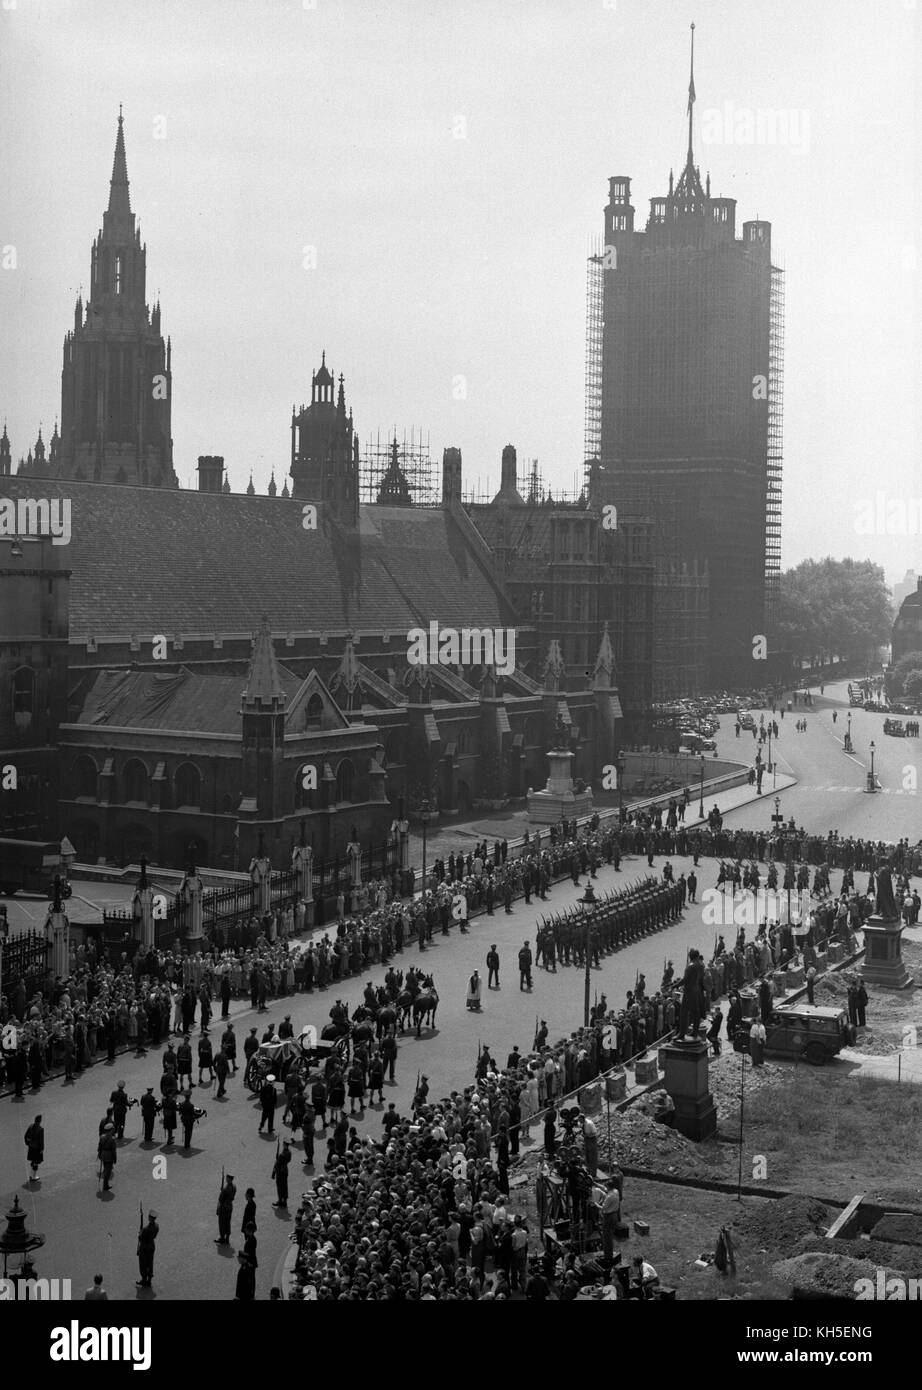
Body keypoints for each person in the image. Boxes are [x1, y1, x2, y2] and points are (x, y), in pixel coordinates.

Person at [136, 1210, 159, 1288]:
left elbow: (140, 1238)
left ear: (150, 1218)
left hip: (144, 1248)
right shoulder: (157, 1226)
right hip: (151, 1246)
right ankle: (149, 1280)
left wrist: (140, 1233)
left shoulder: (146, 1229)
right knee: (150, 1263)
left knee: (143, 1264)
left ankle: (143, 1280)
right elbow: (154, 1236)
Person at [216, 1174, 236, 1245]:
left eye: (227, 1178)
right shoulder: (234, 1187)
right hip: (229, 1207)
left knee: (221, 1223)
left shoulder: (226, 1188)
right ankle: (227, 1238)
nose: (226, 1179)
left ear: (229, 1179)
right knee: (227, 1223)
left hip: (223, 1207)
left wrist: (222, 1191)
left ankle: (222, 1238)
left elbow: (221, 1199)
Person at [272, 1139, 292, 1208]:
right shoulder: (289, 1152)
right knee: (285, 1187)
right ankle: (285, 1201)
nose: (282, 1145)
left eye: (283, 1144)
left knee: (280, 1187)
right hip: (285, 1171)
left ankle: (280, 1201)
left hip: (280, 1172)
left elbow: (277, 1164)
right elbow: (288, 1160)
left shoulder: (282, 1154)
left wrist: (273, 1172)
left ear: (285, 1145)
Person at [97, 1123, 117, 1191]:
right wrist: (115, 1158)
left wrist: (99, 1153)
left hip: (103, 1154)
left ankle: (106, 1184)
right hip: (109, 1156)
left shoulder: (102, 1137)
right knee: (108, 1171)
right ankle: (105, 1185)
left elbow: (99, 1146)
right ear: (111, 1130)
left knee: (105, 1168)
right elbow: (114, 1150)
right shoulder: (112, 1139)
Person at [24, 1115, 44, 1182]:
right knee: (36, 1162)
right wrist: (42, 1149)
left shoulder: (30, 1126)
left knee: (33, 1161)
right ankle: (34, 1177)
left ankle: (31, 1174)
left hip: (31, 1147)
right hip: (37, 1148)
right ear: (40, 1121)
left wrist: (28, 1143)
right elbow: (41, 1141)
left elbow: (25, 1136)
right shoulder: (41, 1129)